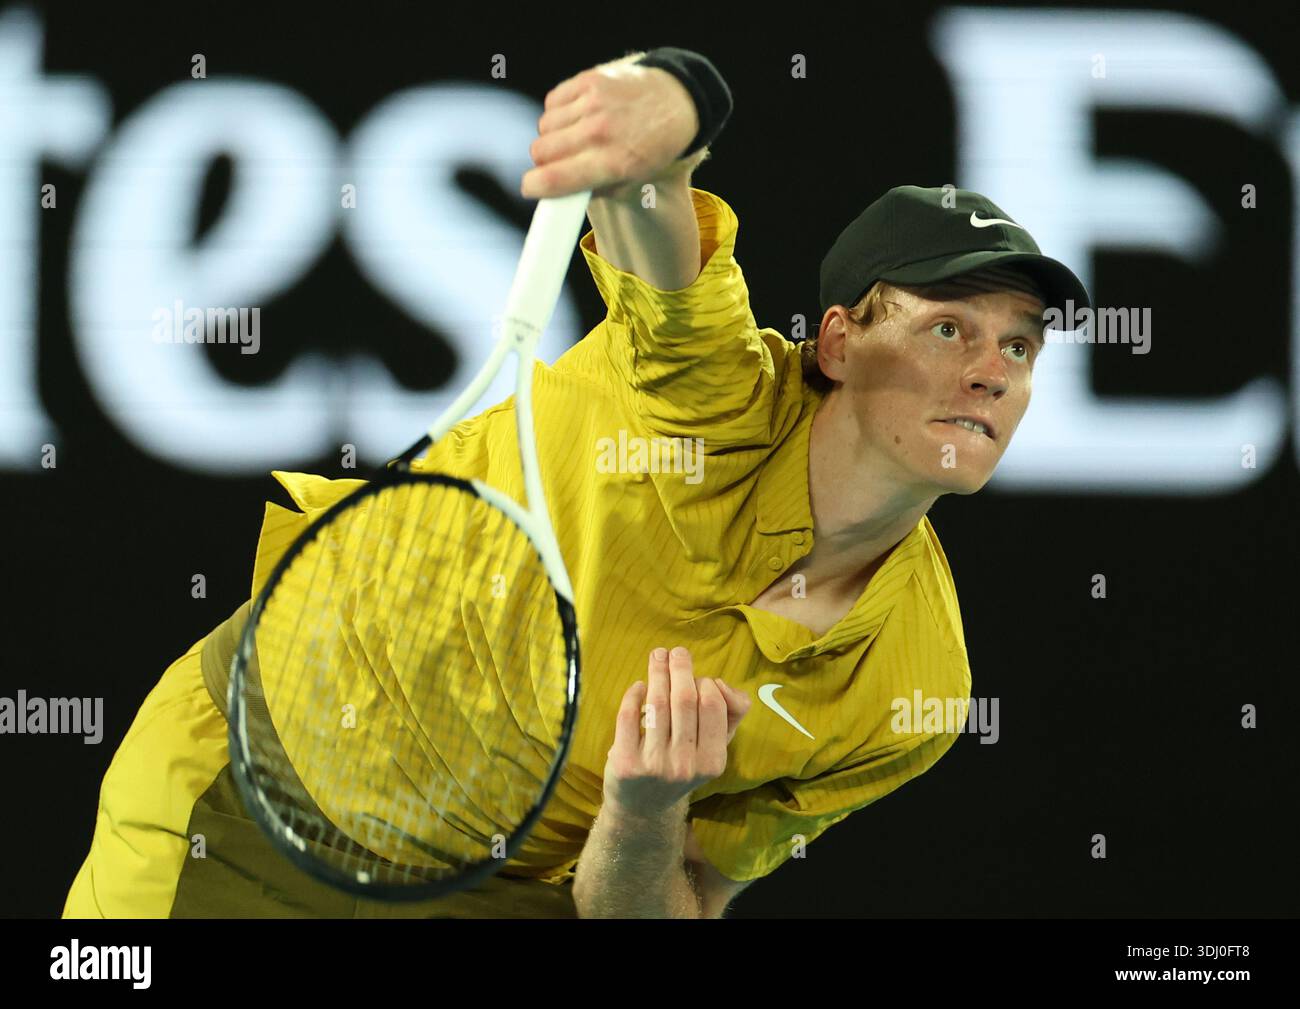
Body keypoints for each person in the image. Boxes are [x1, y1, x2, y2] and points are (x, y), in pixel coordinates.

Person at [63, 48, 1088, 919]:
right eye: (945, 327)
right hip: (253, 790)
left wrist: (643, 815)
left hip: (507, 892)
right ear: (836, 341)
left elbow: (664, 904)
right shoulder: (708, 392)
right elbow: (650, 202)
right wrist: (678, 101)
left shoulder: (911, 690)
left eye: (1019, 345)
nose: (992, 370)